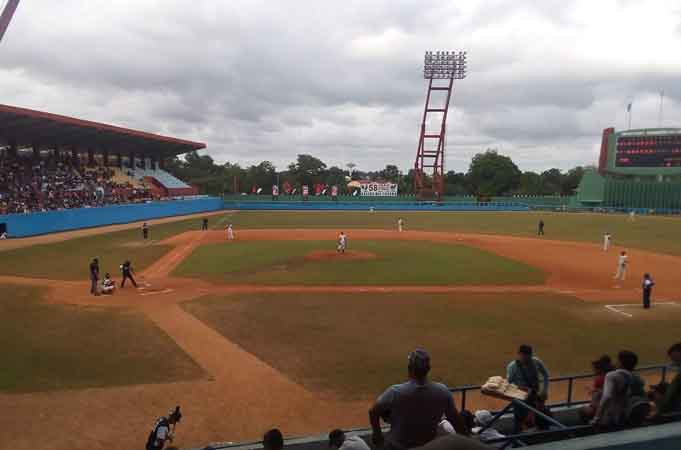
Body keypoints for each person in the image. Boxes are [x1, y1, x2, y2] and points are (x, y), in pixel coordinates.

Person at [369, 348, 468, 450]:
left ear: (409, 368)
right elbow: (455, 420)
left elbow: (373, 412)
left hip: (397, 446)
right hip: (428, 446)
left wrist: (377, 435)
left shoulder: (395, 392)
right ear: (429, 368)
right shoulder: (443, 391)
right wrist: (469, 441)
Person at [506, 345, 550, 433]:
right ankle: (517, 439)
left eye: (528, 357)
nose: (526, 359)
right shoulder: (512, 367)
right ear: (519, 355)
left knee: (538, 418)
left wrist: (544, 390)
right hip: (520, 398)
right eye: (524, 356)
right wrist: (522, 389)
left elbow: (546, 374)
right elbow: (509, 383)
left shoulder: (536, 362)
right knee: (519, 420)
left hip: (535, 396)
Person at [592, 350, 639, 427]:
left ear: (620, 362)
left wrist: (597, 417)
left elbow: (606, 397)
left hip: (610, 416)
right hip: (624, 414)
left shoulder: (611, 375)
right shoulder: (634, 377)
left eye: (618, 360)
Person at [579, 355, 615, 423]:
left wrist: (592, 390)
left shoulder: (600, 379)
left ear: (600, 369)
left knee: (582, 410)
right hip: (610, 408)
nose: (594, 370)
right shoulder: (613, 376)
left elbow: (599, 397)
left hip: (601, 409)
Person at [650, 343, 681, 417]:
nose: (675, 364)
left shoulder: (679, 378)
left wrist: (657, 413)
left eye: (677, 360)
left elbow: (666, 403)